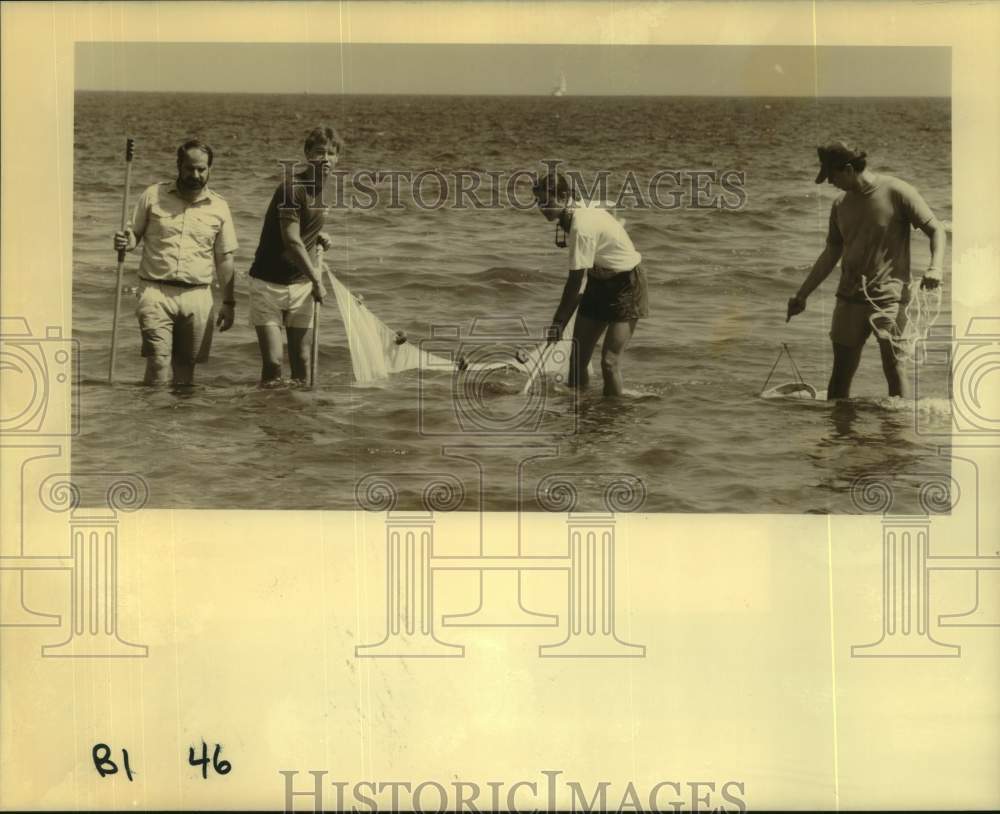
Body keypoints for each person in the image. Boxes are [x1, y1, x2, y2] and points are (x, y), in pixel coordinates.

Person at [787, 141, 947, 399]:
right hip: (849, 299)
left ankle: (897, 437)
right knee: (839, 375)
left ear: (849, 169)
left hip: (889, 300)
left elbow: (936, 229)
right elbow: (831, 253)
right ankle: (840, 437)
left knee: (894, 369)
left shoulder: (897, 192)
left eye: (832, 175)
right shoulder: (840, 205)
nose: (830, 182)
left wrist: (935, 268)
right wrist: (802, 294)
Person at [113, 139, 238, 386]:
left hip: (198, 295)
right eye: (189, 168)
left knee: (185, 374)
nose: (195, 175)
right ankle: (151, 422)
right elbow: (133, 235)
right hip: (155, 291)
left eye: (201, 169)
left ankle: (179, 424)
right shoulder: (153, 195)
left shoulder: (219, 207)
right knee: (158, 364)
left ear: (209, 169)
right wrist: (124, 241)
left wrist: (229, 302)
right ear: (179, 166)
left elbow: (224, 258)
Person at [531, 171, 649, 397]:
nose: (542, 207)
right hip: (599, 281)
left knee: (608, 362)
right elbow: (604, 207)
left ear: (564, 196)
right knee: (577, 358)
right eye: (539, 201)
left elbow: (575, 283)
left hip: (626, 286)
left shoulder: (581, 227)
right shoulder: (577, 207)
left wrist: (558, 323)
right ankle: (581, 411)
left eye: (547, 201)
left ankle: (612, 418)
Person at [248, 126, 342, 385]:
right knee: (274, 362)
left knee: (302, 361)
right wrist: (317, 281)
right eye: (319, 152)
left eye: (331, 153)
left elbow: (306, 227)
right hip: (267, 284)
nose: (325, 159)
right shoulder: (291, 188)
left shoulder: (328, 190)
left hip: (301, 286)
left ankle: (298, 420)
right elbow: (291, 240)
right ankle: (268, 415)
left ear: (338, 158)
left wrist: (320, 236)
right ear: (307, 154)